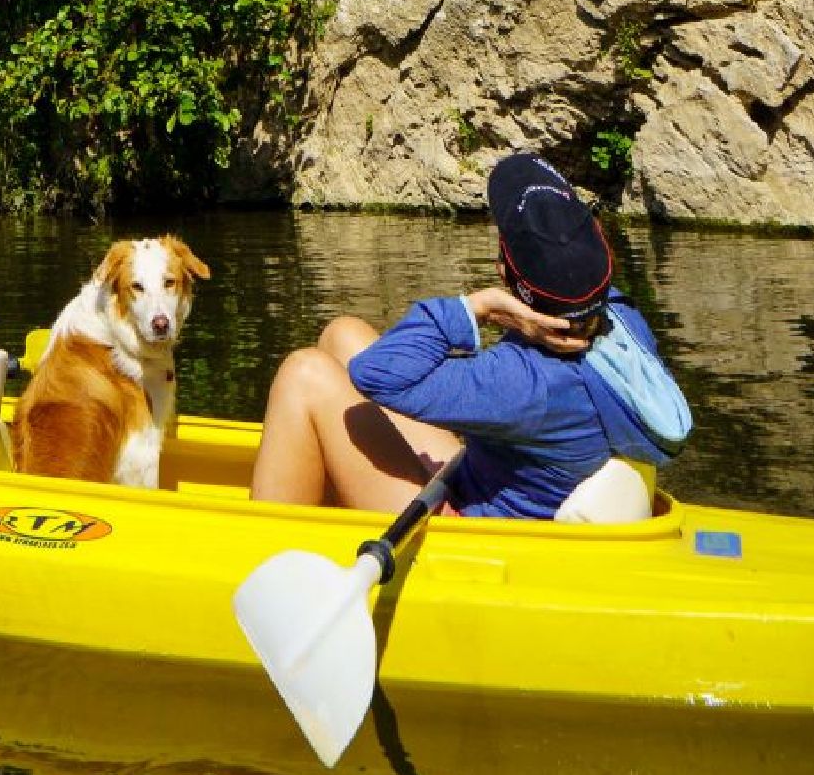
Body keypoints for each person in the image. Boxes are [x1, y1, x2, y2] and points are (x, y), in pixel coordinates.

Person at [250, 151, 691, 517]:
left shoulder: (521, 380)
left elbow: (377, 375)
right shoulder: (621, 318)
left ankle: (264, 551)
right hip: (475, 475)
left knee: (304, 374)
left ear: (504, 274)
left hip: (464, 533)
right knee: (343, 334)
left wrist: (477, 308)